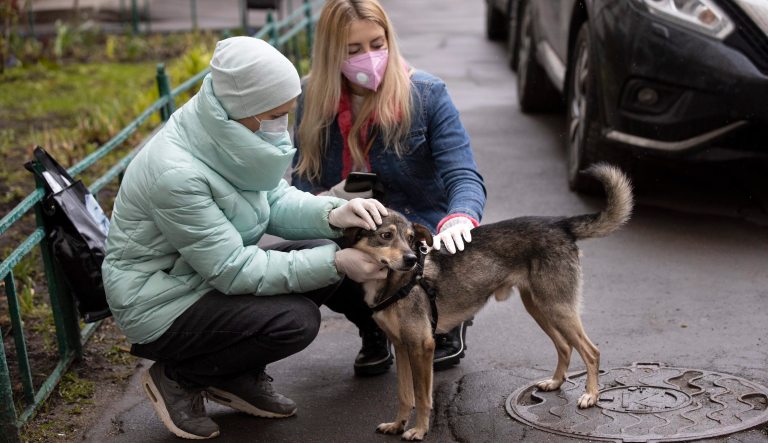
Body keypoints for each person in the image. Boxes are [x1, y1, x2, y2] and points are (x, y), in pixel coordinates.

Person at [102, 36, 389, 440]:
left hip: (198, 279)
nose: (281, 124)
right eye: (275, 114)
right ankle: (179, 378)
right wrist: (336, 262)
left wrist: (333, 215)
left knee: (322, 254)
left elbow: (271, 197)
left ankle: (235, 375)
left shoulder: (225, 127)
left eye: (285, 113)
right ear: (246, 109)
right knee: (296, 320)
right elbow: (232, 270)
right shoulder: (176, 173)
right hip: (158, 303)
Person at [291, 0, 487, 376]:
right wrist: (326, 201)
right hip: (357, 231)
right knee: (316, 253)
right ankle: (373, 326)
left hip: (419, 230)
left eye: (377, 45)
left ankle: (442, 318)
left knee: (429, 251)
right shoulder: (311, 98)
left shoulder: (427, 94)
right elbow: (301, 185)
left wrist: (461, 217)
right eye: (353, 50)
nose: (368, 58)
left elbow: (463, 174)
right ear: (332, 53)